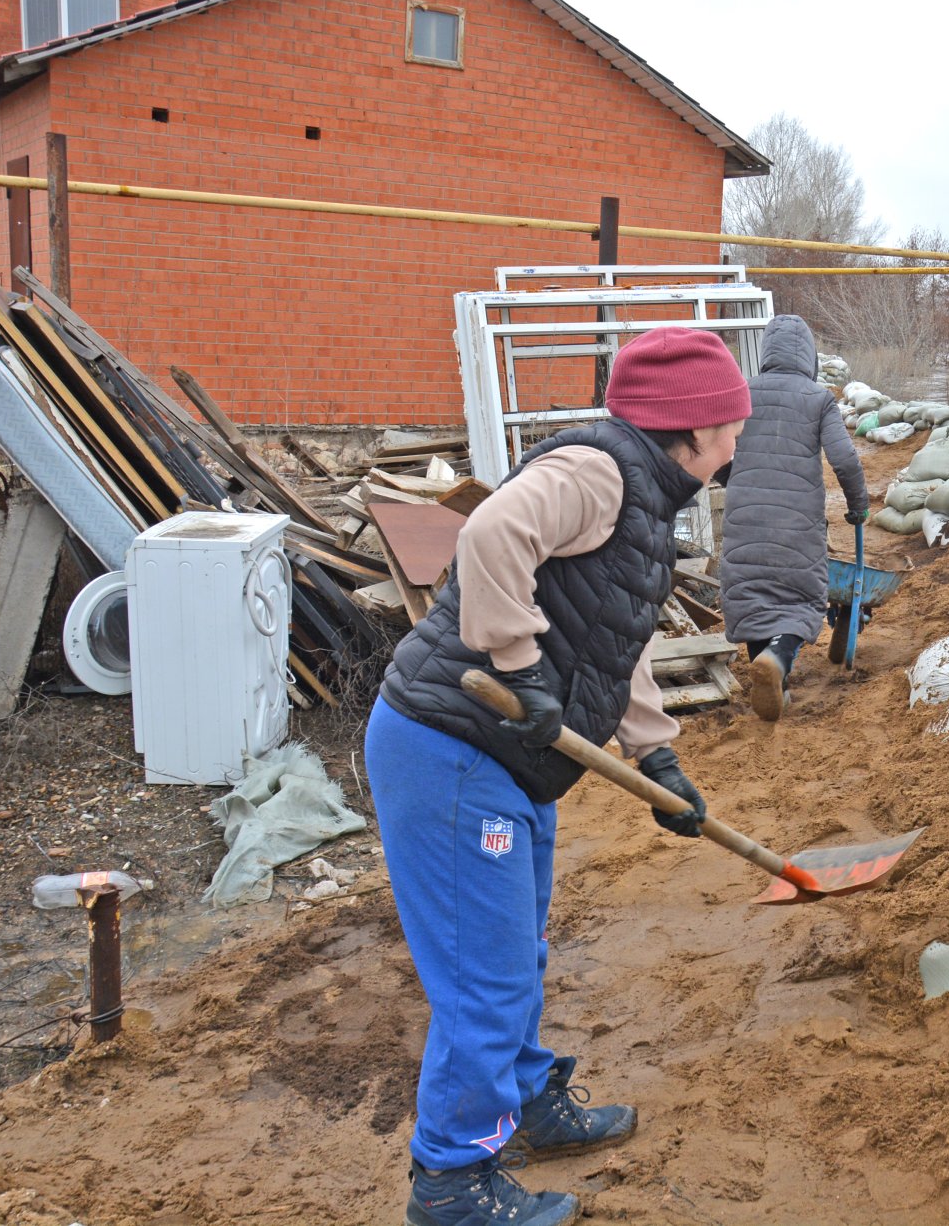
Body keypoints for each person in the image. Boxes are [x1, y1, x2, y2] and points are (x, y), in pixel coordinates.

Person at [364, 326, 751, 1226]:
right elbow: (492, 532)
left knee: (516, 954)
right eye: (728, 424)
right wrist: (523, 667)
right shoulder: (599, 471)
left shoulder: (647, 499)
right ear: (689, 429)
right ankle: (452, 1183)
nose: (736, 441)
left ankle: (527, 1102)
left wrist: (655, 752)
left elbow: (618, 642)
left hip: (513, 762)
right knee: (484, 977)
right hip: (453, 747)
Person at [718, 315, 868, 720]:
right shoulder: (818, 399)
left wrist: (736, 481)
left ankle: (772, 681)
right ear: (809, 357)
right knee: (799, 594)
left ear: (767, 352)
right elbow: (845, 460)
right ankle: (780, 657)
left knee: (751, 592)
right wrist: (858, 506)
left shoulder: (742, 392)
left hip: (743, 516)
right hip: (797, 521)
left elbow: (711, 446)